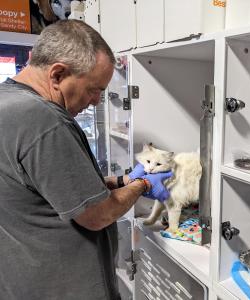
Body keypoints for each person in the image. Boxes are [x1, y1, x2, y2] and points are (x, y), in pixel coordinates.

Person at [0, 20, 172, 300]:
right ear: (57, 74)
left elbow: (51, 191)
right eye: (94, 89)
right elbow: (96, 215)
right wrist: (142, 184)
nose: (95, 101)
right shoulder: (43, 121)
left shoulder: (7, 102)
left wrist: (122, 181)